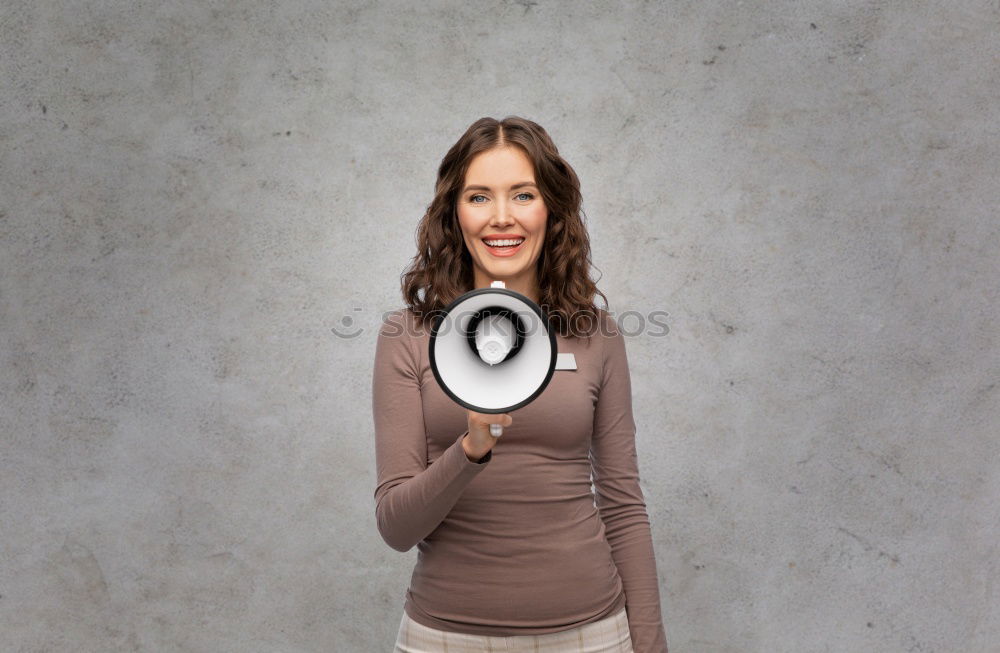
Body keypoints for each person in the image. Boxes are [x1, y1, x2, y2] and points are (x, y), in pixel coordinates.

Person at [372, 116, 669, 652]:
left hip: (592, 636)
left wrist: (649, 645)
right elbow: (395, 529)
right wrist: (471, 449)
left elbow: (623, 505)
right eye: (480, 197)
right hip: (444, 637)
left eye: (523, 194)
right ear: (454, 213)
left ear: (551, 210)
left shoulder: (595, 334)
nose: (502, 218)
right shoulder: (408, 335)